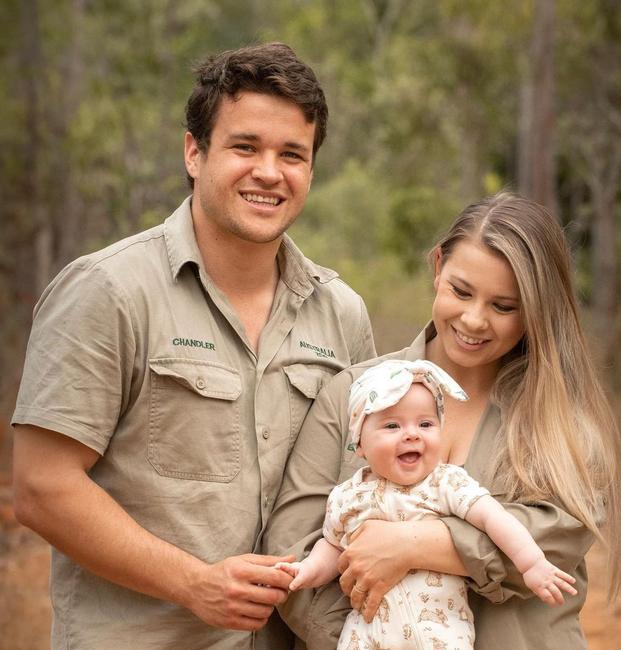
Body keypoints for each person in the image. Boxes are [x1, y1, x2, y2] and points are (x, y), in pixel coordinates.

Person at [11, 43, 375, 650]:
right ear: (193, 152)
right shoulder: (109, 290)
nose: (269, 171)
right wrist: (194, 584)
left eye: (292, 154)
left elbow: (363, 481)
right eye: (245, 147)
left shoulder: (343, 315)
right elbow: (42, 487)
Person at [264, 191, 621, 649]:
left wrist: (417, 543)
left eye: (504, 306)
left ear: (536, 309)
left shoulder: (564, 426)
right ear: (437, 268)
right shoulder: (352, 394)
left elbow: (555, 542)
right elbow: (292, 551)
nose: (474, 320)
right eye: (461, 291)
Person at [276, 359, 577, 649]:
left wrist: (531, 562)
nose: (411, 434)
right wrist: (308, 570)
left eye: (425, 423)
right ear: (360, 445)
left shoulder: (445, 483)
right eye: (392, 426)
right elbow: (333, 547)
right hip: (366, 635)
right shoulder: (348, 496)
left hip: (441, 635)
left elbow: (493, 519)